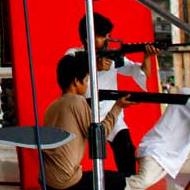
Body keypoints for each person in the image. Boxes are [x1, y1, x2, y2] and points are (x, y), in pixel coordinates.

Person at [0, 52, 131, 190]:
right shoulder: (77, 101)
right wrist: (117, 107)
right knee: (118, 181)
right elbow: (98, 136)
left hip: (47, 180)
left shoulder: (53, 105)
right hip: (65, 180)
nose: (87, 84)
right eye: (86, 79)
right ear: (76, 81)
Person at [64, 12, 159, 176]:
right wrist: (96, 66)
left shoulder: (114, 56)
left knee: (126, 148)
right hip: (81, 113)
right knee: (69, 154)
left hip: (111, 113)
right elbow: (69, 75)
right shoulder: (73, 54)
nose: (107, 40)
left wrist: (148, 56)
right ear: (88, 38)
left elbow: (141, 72)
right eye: (102, 36)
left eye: (108, 36)